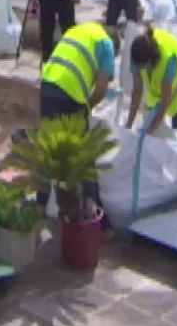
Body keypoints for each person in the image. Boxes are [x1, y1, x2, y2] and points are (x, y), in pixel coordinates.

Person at [36, 20, 117, 213]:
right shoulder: (107, 44)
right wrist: (87, 107)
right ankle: (91, 207)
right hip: (70, 93)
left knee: (48, 149)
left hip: (47, 86)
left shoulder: (78, 30)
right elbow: (102, 88)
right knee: (84, 153)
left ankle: (39, 207)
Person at [125, 25, 177, 135]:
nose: (139, 70)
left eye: (142, 67)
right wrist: (128, 125)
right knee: (150, 113)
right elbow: (137, 92)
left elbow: (165, 102)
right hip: (157, 86)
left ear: (151, 60)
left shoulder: (167, 60)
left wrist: (148, 133)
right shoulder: (137, 56)